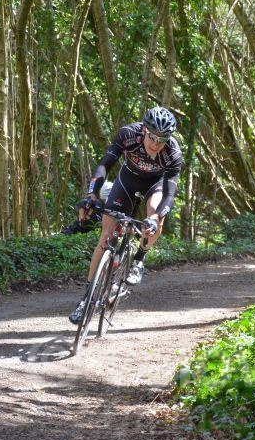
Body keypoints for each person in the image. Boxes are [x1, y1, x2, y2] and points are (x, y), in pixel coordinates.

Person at [69, 106, 182, 324]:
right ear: (144, 130)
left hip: (155, 186)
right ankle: (86, 300)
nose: (156, 144)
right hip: (127, 181)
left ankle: (139, 259)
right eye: (153, 137)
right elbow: (105, 164)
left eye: (163, 139)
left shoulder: (173, 153)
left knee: (155, 210)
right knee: (105, 239)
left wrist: (156, 218)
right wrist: (91, 195)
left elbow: (169, 195)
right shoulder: (128, 134)